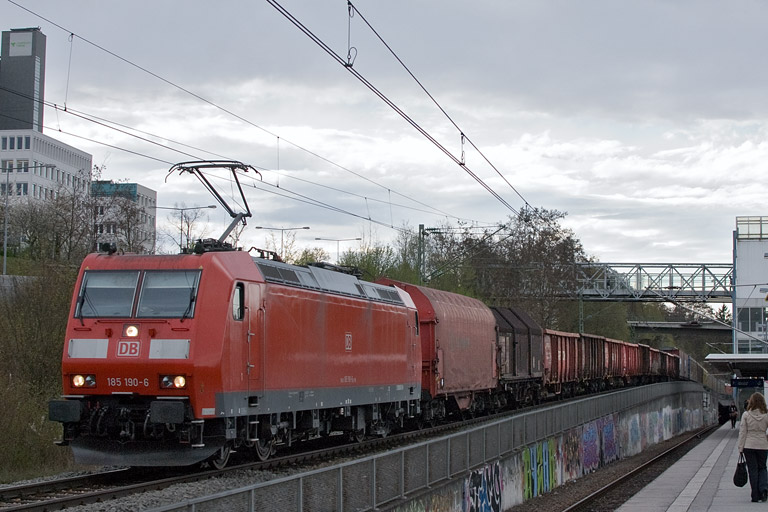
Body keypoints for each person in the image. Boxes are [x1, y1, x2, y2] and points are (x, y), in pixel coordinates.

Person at [738, 392, 768, 502]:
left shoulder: (746, 415)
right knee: (762, 468)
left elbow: (742, 432)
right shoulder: (766, 414)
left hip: (749, 445)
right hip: (763, 445)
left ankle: (755, 496)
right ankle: (764, 489)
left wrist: (740, 448)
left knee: (753, 470)